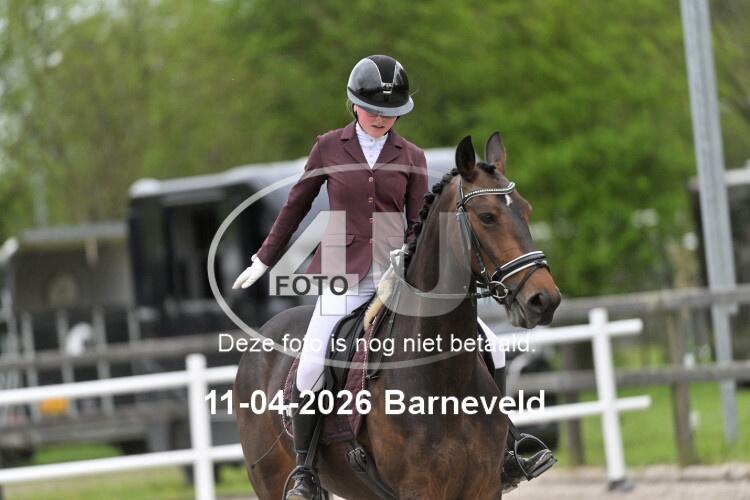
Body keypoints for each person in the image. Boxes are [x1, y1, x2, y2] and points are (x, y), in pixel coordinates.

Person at [232, 54, 554, 500]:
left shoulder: (411, 155)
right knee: (311, 364)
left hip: (397, 273)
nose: (382, 119)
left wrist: (416, 259)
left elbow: (421, 218)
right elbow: (296, 206)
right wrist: (264, 258)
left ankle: (505, 449)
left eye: (391, 112)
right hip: (344, 275)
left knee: (492, 347)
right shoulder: (329, 147)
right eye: (374, 110)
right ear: (354, 105)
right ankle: (304, 471)